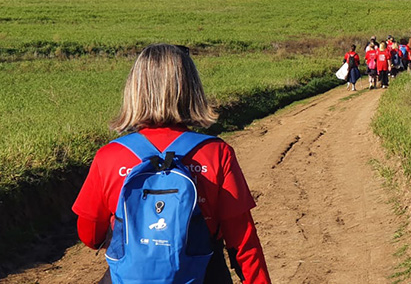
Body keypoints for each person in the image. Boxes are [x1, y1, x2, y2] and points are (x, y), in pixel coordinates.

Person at [72, 44, 271, 284]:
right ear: (191, 90)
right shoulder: (217, 153)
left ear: (135, 90)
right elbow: (243, 242)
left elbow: (89, 234)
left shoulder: (110, 156)